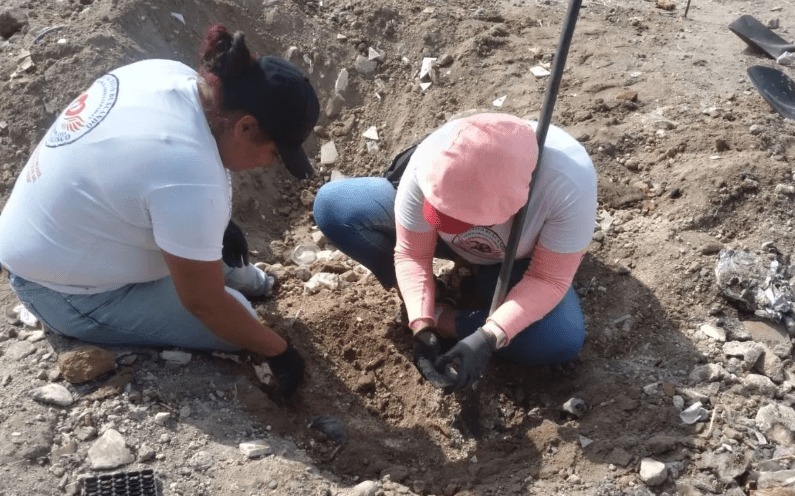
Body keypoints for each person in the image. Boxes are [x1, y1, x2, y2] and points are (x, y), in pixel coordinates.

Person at [0, 25, 319, 398]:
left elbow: (145, 178)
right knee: (240, 319)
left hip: (54, 235)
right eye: (274, 153)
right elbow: (203, 304)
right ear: (245, 127)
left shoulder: (170, 76)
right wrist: (278, 351)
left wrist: (217, 225)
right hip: (63, 291)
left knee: (218, 261)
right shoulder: (189, 175)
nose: (269, 163)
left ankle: (235, 277)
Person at [313, 112, 597, 393]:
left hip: (513, 260)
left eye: (460, 220)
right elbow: (412, 253)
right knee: (337, 207)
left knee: (559, 338)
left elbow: (547, 279)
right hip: (437, 240)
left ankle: (465, 312)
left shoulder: (567, 184)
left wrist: (487, 336)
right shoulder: (431, 159)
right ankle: (434, 297)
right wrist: (423, 324)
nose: (451, 225)